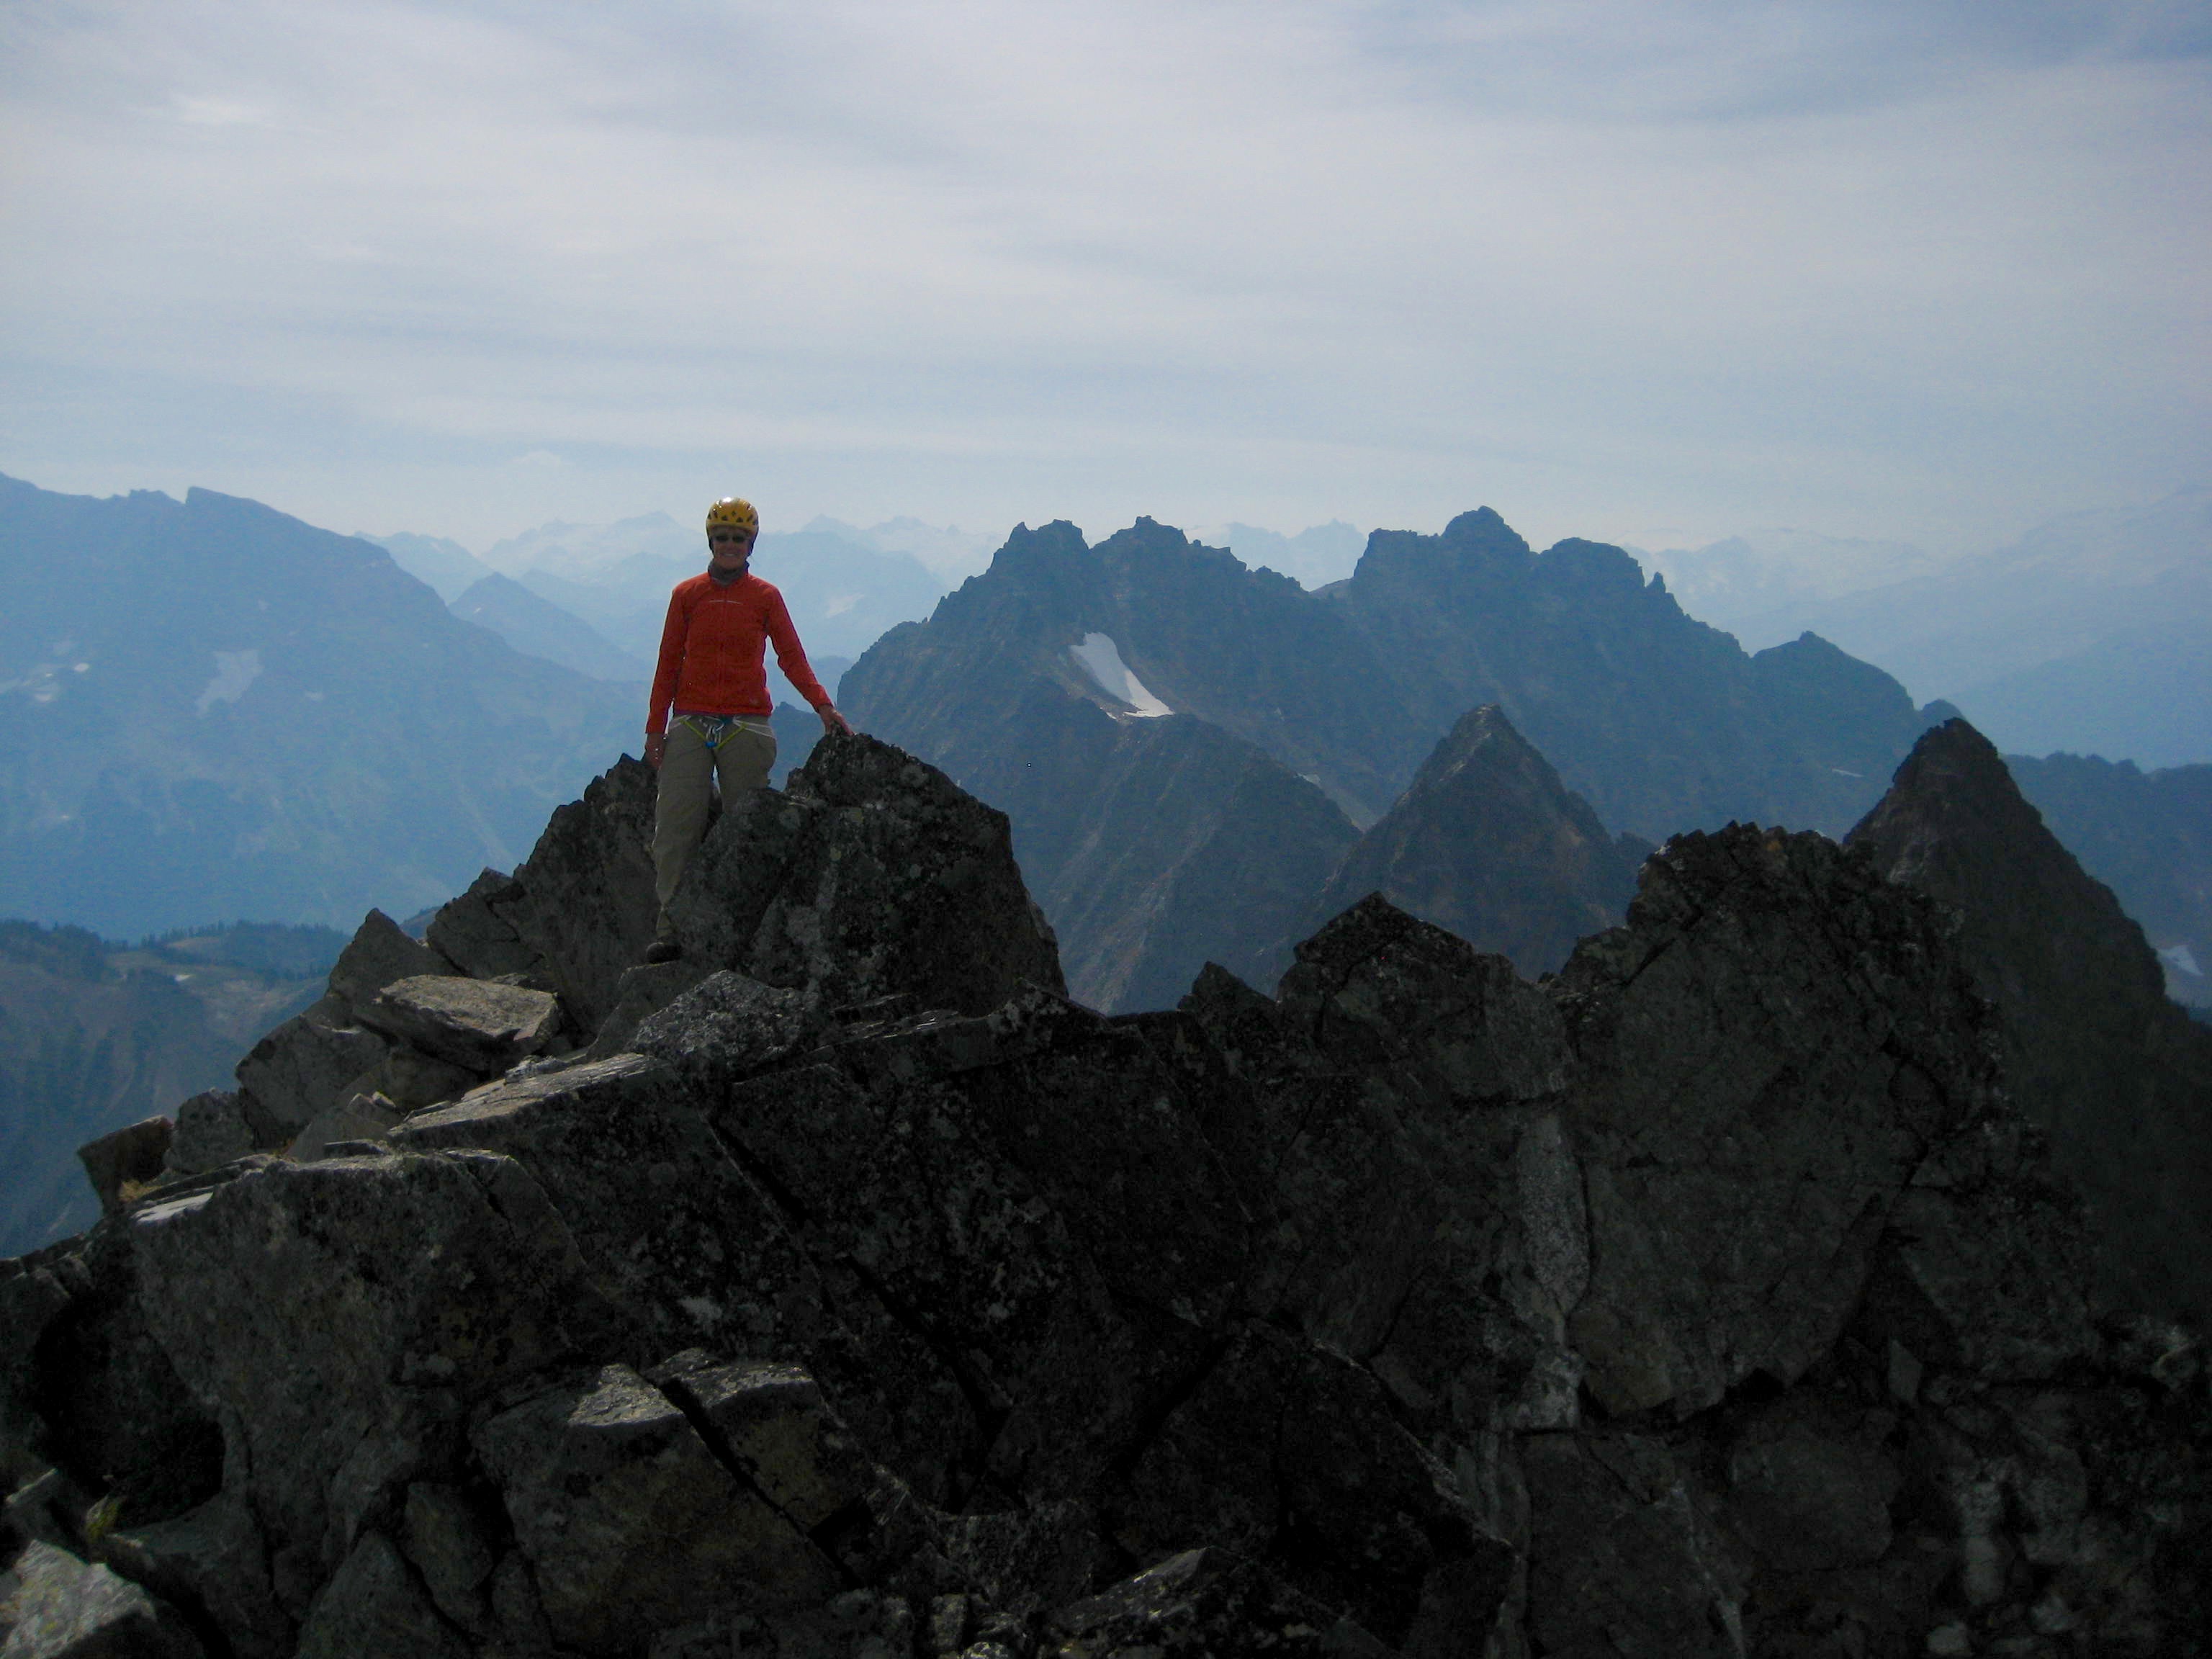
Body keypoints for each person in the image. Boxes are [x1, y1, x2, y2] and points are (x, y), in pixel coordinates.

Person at [641, 496, 853, 962]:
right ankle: (671, 931)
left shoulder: (765, 598)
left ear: (751, 543)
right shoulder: (687, 596)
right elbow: (668, 663)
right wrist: (655, 729)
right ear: (711, 541)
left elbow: (790, 656)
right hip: (692, 722)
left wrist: (822, 705)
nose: (730, 545)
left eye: (739, 538)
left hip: (747, 724)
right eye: (723, 538)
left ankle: (744, 928)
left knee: (748, 832)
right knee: (676, 829)